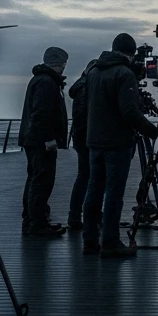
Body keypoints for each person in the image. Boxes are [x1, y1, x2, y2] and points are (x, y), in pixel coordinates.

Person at [82, 34, 158, 258]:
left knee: (94, 190)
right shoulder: (124, 74)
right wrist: (152, 130)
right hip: (117, 142)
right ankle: (110, 242)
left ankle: (89, 241)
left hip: (94, 139)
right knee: (114, 194)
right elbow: (129, 111)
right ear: (131, 53)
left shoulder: (94, 71)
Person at [19, 47, 70, 237]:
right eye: (63, 63)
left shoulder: (39, 79)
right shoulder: (48, 82)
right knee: (42, 180)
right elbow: (41, 113)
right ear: (59, 63)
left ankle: (31, 217)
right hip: (41, 141)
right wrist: (49, 138)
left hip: (31, 138)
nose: (64, 67)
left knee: (34, 178)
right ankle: (38, 222)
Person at [65, 58, 96, 231]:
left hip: (79, 137)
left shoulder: (79, 88)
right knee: (88, 177)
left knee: (84, 176)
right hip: (88, 138)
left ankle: (76, 214)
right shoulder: (87, 89)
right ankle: (79, 215)